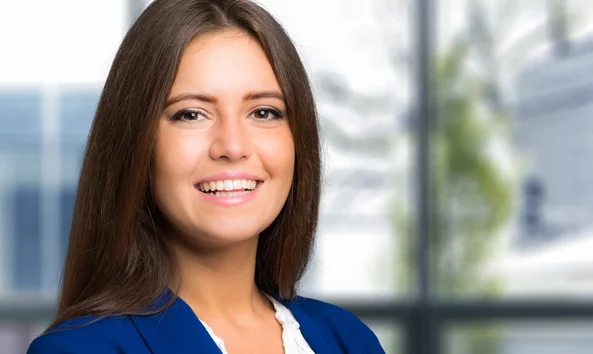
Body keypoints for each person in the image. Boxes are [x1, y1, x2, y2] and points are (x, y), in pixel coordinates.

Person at [27, 0, 385, 353]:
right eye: (191, 114)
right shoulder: (78, 349)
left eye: (263, 111)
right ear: (136, 144)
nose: (232, 145)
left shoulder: (349, 339)